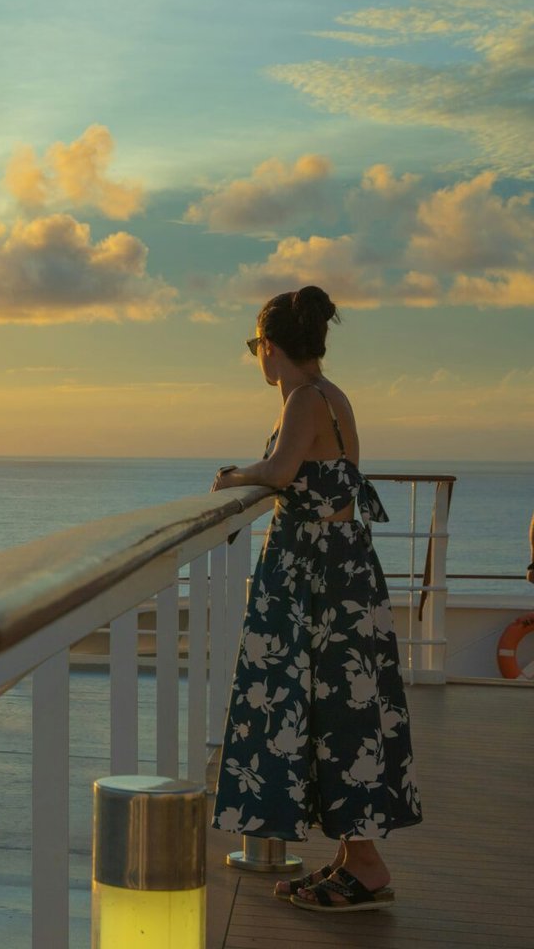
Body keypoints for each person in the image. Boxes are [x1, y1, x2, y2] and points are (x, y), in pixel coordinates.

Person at [209, 285, 421, 913]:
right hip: (341, 571)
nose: (257, 357)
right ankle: (353, 859)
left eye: (256, 346)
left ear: (269, 348)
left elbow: (278, 474)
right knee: (342, 709)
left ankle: (369, 867)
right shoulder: (332, 395)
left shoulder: (304, 399)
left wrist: (234, 476)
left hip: (320, 580)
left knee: (334, 711)